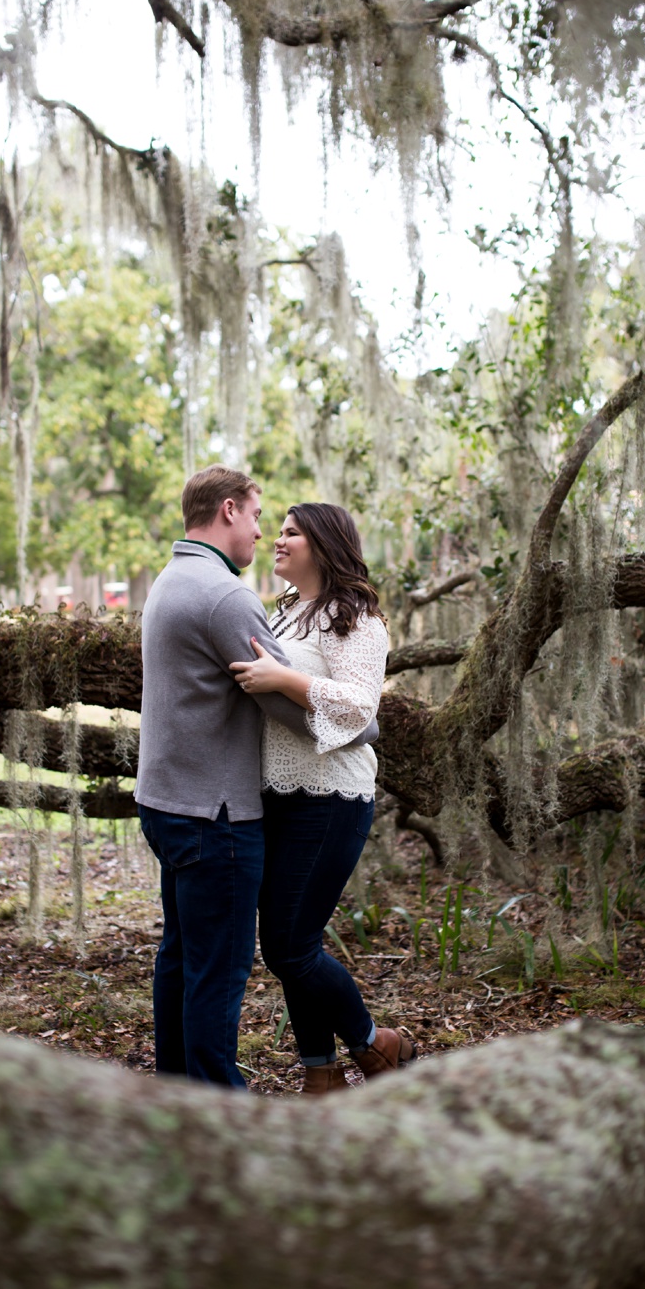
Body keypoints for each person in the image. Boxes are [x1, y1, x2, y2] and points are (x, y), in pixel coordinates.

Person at [134, 466, 378, 1090]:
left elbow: (328, 694)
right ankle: (220, 1109)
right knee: (218, 966)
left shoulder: (172, 580)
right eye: (260, 516)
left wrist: (347, 716)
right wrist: (365, 728)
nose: (265, 532)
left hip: (211, 802)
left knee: (199, 956)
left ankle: (190, 1090)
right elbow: (274, 705)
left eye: (287, 528)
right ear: (227, 511)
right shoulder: (231, 597)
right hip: (216, 812)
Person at [229, 502, 414, 1095]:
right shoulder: (286, 617)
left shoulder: (355, 617)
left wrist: (285, 680)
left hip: (331, 796)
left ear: (324, 544)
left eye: (290, 533)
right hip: (276, 795)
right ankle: (320, 1072)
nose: (276, 541)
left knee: (288, 945)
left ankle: (371, 1042)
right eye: (277, 531)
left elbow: (361, 705)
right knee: (291, 942)